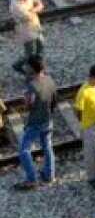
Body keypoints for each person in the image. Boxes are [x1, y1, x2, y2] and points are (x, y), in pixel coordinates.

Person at [13, 55, 57, 190]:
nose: (25, 68)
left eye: (27, 66)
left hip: (35, 122)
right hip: (48, 120)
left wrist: (26, 101)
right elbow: (54, 99)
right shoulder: (50, 80)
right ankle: (49, 175)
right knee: (47, 147)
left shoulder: (32, 86)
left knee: (23, 149)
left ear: (32, 68)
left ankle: (31, 179)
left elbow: (29, 105)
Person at [9, 0, 45, 76]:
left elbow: (38, 2)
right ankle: (17, 65)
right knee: (29, 53)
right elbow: (27, 16)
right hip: (26, 31)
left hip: (36, 26)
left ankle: (37, 63)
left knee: (41, 44)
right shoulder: (15, 5)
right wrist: (35, 9)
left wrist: (34, 8)